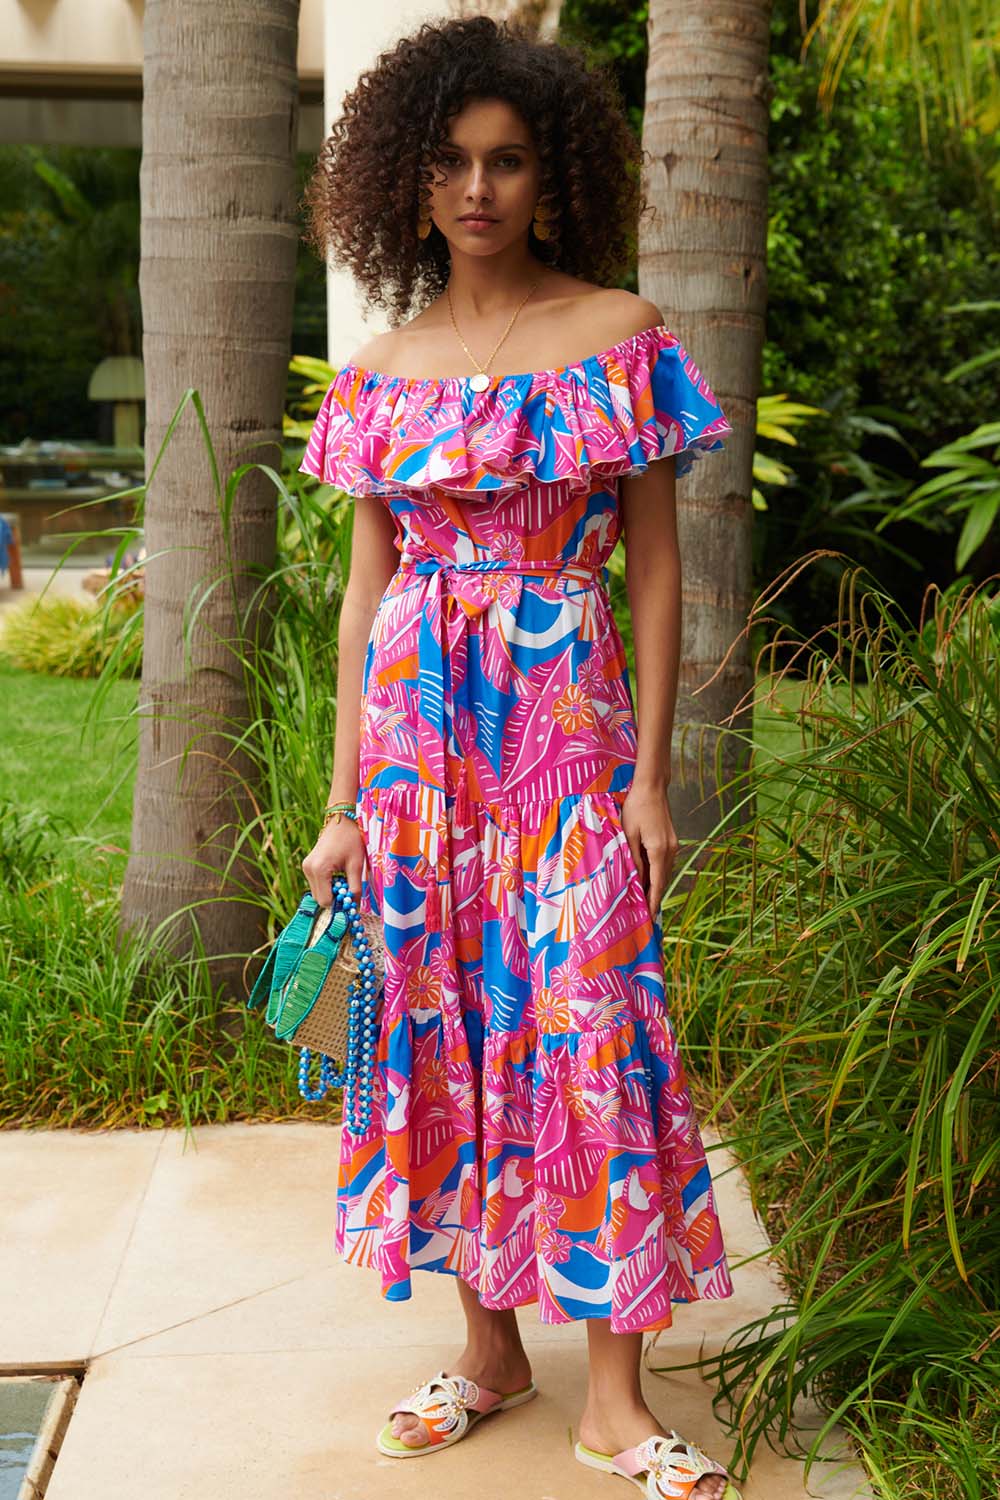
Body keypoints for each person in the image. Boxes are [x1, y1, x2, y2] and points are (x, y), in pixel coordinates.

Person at [297, 15, 738, 1499]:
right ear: (407, 182)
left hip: (567, 740)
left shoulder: (617, 332)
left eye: (506, 161)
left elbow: (658, 569)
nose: (477, 189)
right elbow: (366, 591)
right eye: (449, 163)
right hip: (418, 751)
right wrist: (343, 804)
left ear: (551, 176)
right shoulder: (382, 370)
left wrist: (652, 779)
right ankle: (489, 1355)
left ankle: (614, 1400)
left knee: (593, 1024)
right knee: (444, 1024)